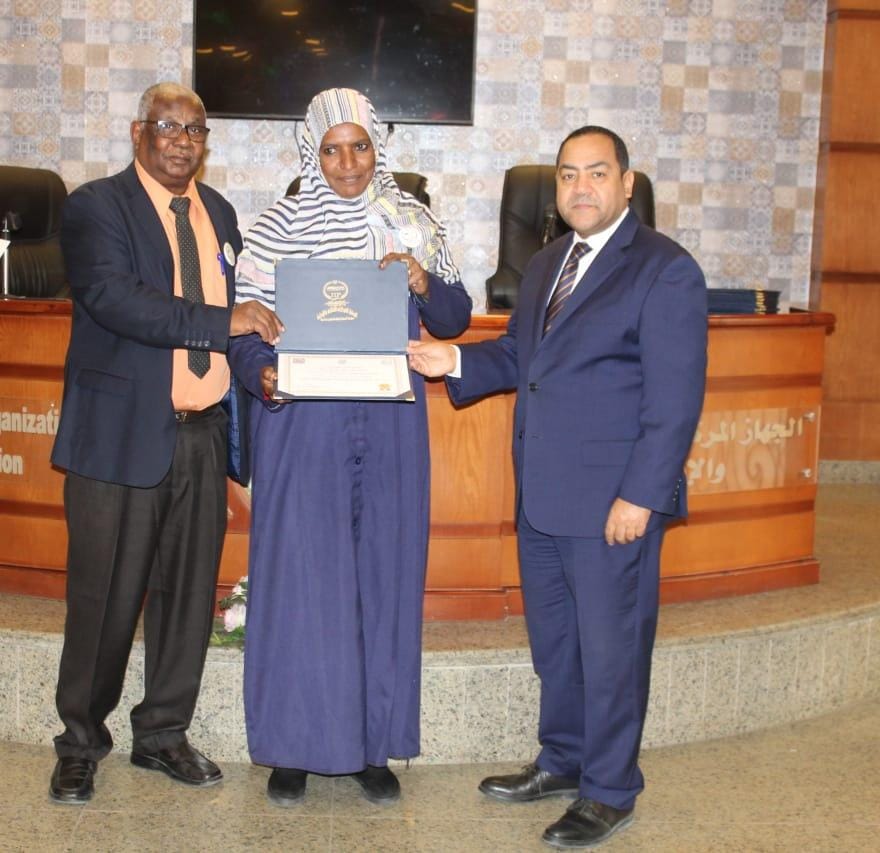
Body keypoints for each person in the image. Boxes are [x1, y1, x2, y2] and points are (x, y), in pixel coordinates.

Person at [408, 126, 707, 848]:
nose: (580, 187)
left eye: (596, 173)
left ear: (626, 184)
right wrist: (453, 359)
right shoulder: (546, 263)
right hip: (542, 497)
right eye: (568, 174)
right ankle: (564, 760)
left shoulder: (665, 269)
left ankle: (610, 790)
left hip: (612, 504)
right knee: (559, 647)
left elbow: (675, 401)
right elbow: (521, 355)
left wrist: (642, 496)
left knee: (611, 653)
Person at [229, 88, 472, 806]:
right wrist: (261, 372)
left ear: (377, 148)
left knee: (382, 576)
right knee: (300, 579)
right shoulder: (275, 228)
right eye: (332, 149)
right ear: (312, 154)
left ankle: (372, 746)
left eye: (359, 146)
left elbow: (455, 316)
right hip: (301, 423)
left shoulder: (411, 220)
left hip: (391, 423)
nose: (347, 163)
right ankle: (293, 746)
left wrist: (422, 279)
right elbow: (241, 330)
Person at [48, 82, 284, 804]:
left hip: (202, 435)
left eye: (195, 130)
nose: (182, 141)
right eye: (168, 127)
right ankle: (80, 742)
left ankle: (162, 732)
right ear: (138, 132)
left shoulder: (220, 213)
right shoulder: (96, 206)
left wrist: (266, 353)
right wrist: (224, 320)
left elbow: (245, 312)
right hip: (119, 438)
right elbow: (117, 300)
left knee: (186, 600)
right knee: (104, 601)